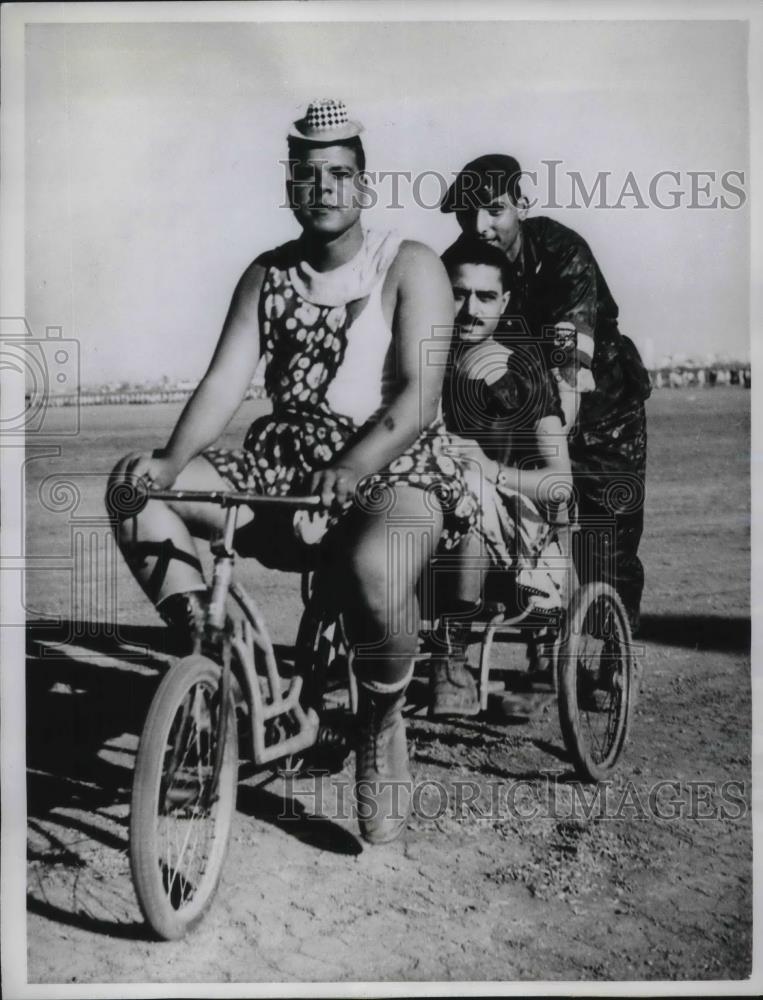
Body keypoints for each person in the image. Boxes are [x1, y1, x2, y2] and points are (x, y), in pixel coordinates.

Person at [106, 99, 480, 845]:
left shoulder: (409, 266)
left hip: (396, 470)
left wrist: (346, 468)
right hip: (286, 472)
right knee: (131, 492)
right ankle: (207, 669)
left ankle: (379, 713)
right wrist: (169, 463)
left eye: (341, 174)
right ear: (289, 186)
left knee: (376, 570)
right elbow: (222, 384)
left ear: (365, 187)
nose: (324, 190)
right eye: (307, 176)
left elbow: (416, 399)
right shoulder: (266, 275)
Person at [441, 155, 651, 635]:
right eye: (466, 213)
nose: (479, 226)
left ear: (522, 204)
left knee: (605, 542)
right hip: (519, 404)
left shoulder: (561, 253)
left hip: (600, 411)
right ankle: (536, 641)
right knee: (503, 519)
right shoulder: (457, 262)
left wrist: (549, 447)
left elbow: (568, 367)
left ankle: (610, 662)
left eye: (494, 210)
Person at [430, 238, 572, 717]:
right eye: (457, 293)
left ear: (505, 302)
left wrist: (490, 470)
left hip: (519, 529)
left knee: (469, 482)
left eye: (485, 297)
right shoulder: (420, 360)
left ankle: (451, 659)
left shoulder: (525, 369)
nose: (469, 309)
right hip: (434, 518)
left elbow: (561, 483)